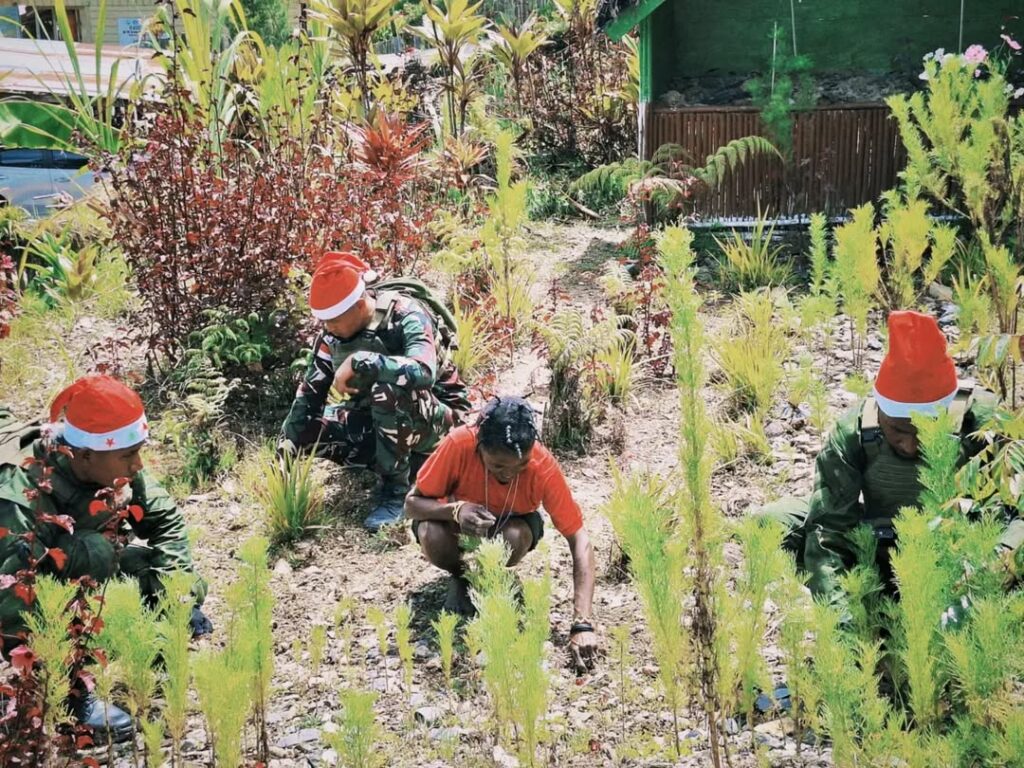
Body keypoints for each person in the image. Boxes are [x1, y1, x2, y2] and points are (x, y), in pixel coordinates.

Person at [759, 310, 1024, 618]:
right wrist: (843, 623)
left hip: (961, 564)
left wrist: (991, 572)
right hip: (883, 552)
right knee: (771, 522)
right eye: (898, 431)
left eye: (924, 431)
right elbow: (829, 529)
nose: (909, 445)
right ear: (880, 411)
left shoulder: (985, 421)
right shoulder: (854, 431)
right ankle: (877, 609)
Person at [0, 375, 211, 742]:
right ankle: (71, 695)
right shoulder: (23, 496)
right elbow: (10, 605)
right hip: (17, 590)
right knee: (96, 550)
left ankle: (144, 641)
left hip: (66, 580)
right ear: (83, 455)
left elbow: (166, 521)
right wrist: (62, 682)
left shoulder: (107, 462)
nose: (138, 466)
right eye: (129, 455)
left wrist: (175, 598)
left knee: (172, 578)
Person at [405, 396, 599, 671]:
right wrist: (457, 510)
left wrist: (582, 623)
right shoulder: (460, 443)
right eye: (497, 466)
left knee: (515, 536)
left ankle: (487, 578)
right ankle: (461, 578)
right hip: (453, 525)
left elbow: (579, 539)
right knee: (431, 533)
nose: (510, 474)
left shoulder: (542, 465)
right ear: (479, 447)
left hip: (509, 527)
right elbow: (411, 505)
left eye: (521, 466)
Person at [280, 252, 470, 532]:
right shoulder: (332, 336)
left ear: (358, 305)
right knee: (312, 427)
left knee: (387, 390)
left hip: (441, 420)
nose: (327, 327)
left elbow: (424, 372)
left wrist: (362, 360)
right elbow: (309, 397)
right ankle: (397, 462)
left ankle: (396, 493)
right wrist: (283, 455)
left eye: (333, 319)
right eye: (324, 321)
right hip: (381, 420)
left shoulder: (406, 313)